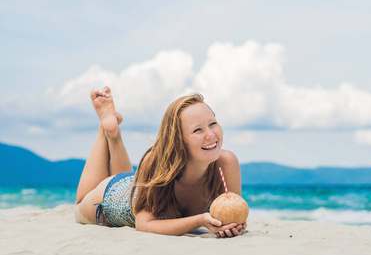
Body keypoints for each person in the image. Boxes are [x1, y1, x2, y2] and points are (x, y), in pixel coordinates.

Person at [74, 87, 246, 238]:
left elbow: (233, 216)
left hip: (140, 187)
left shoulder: (226, 162)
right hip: (113, 198)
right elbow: (144, 224)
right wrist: (199, 221)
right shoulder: (155, 162)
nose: (210, 135)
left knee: (134, 183)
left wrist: (233, 227)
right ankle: (105, 130)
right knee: (78, 207)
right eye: (197, 130)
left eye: (213, 123)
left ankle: (113, 133)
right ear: (178, 140)